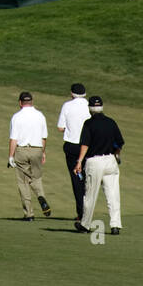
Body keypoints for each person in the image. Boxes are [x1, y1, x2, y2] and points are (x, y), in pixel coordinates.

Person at [74, 96, 124, 235]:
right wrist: (116, 154)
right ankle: (115, 225)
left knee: (90, 194)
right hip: (110, 160)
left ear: (90, 108)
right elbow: (119, 143)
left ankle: (85, 224)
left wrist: (79, 161)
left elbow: (85, 144)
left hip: (94, 162)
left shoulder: (89, 124)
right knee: (113, 194)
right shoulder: (111, 122)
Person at [7, 91, 52, 221]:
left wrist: (11, 156)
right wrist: (43, 152)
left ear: (20, 103)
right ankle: (41, 196)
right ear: (31, 102)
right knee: (36, 178)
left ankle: (29, 213)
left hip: (22, 150)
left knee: (23, 182)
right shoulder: (40, 116)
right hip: (37, 149)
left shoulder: (17, 117)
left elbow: (13, 139)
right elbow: (44, 137)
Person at [57, 82, 91, 222]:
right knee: (88, 179)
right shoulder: (89, 105)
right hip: (88, 146)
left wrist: (70, 130)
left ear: (72, 93)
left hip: (72, 146)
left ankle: (81, 212)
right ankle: (88, 210)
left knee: (76, 179)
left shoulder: (67, 105)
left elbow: (60, 127)